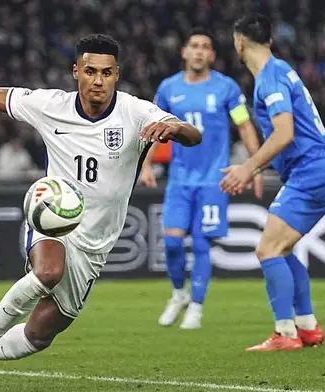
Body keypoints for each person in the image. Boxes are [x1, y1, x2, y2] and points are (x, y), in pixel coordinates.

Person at [0, 34, 202, 389]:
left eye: (107, 73)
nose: (98, 80)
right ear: (75, 70)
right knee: (48, 272)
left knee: (39, 335)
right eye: (90, 71)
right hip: (53, 216)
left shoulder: (136, 112)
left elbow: (193, 135)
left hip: (96, 244)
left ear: (117, 74)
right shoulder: (51, 105)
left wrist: (175, 128)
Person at [221, 15, 325, 351]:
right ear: (269, 41)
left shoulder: (269, 79)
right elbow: (286, 135)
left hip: (310, 171)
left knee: (267, 249)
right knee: (281, 249)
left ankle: (285, 334)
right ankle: (307, 327)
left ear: (239, 42)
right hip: (317, 169)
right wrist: (254, 169)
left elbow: (284, 133)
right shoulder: (282, 70)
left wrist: (246, 168)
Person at [138, 28, 262, 330]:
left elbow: (244, 127)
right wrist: (145, 165)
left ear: (212, 55)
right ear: (184, 52)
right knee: (171, 243)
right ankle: (179, 294)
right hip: (180, 179)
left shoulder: (226, 88)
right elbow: (156, 129)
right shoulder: (168, 89)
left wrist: (255, 166)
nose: (199, 51)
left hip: (213, 179)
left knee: (203, 244)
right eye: (194, 46)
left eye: (205, 47)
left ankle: (196, 306)